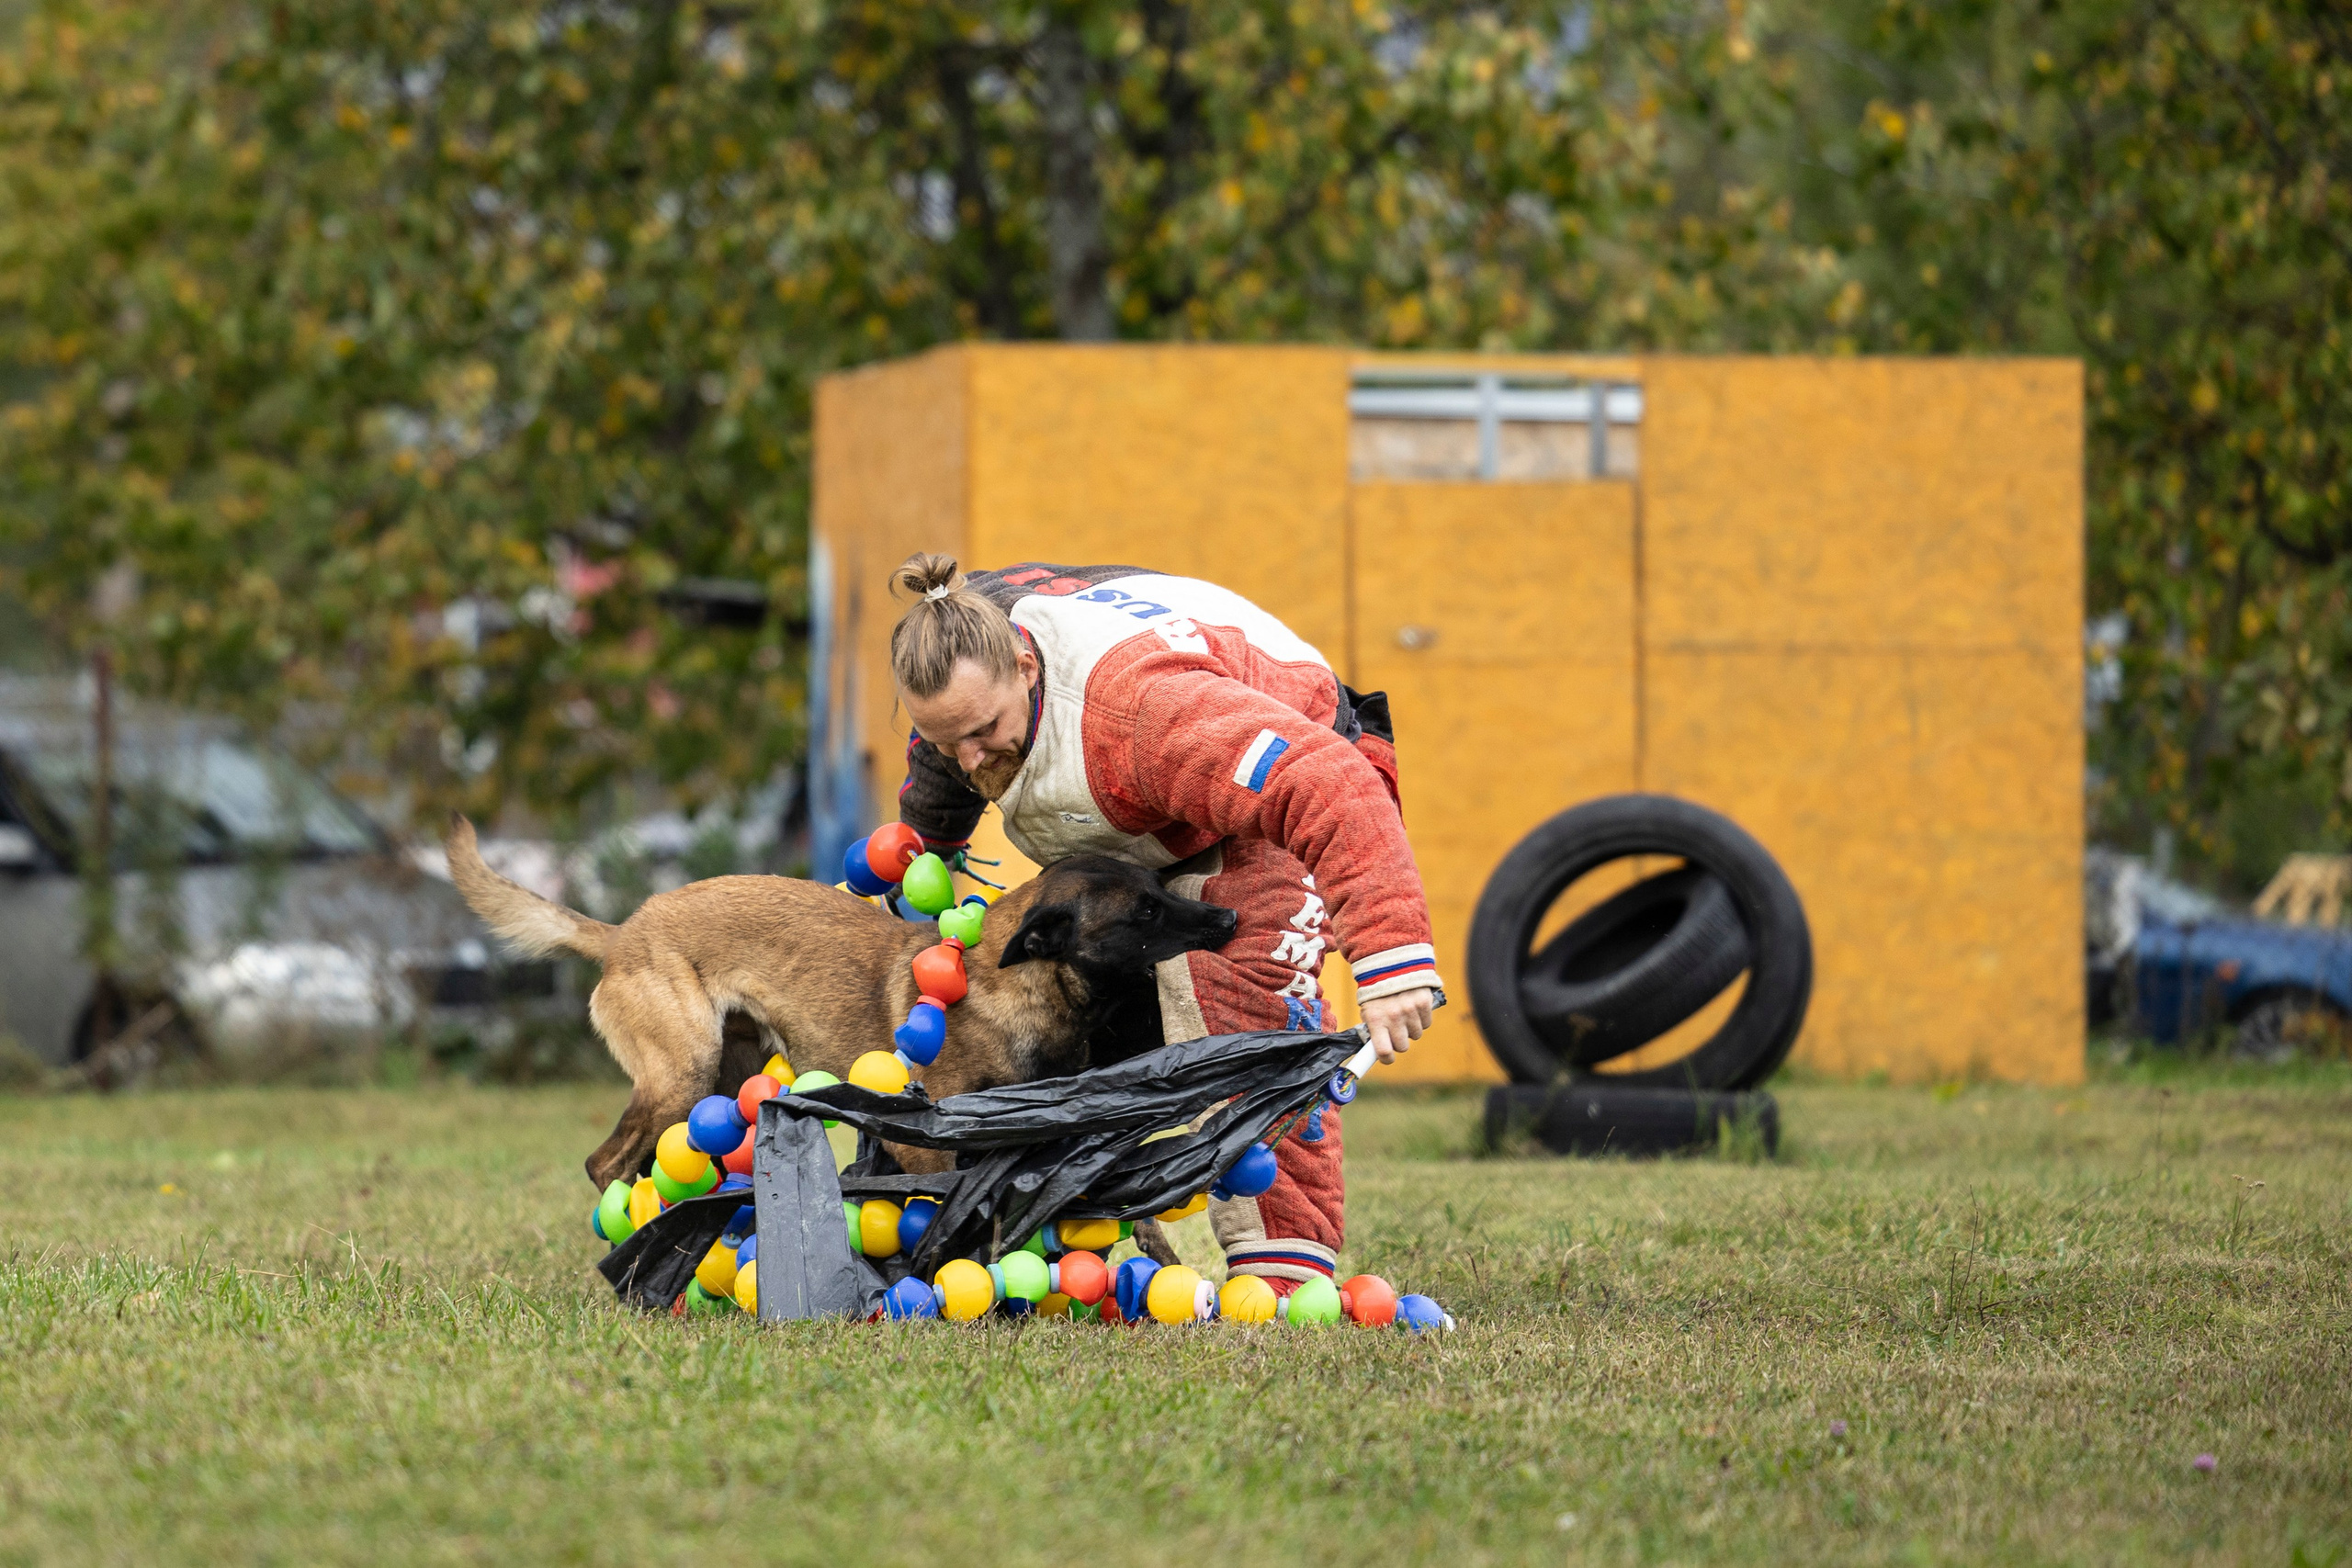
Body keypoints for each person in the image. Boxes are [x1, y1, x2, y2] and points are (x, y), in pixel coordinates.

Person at [883, 553, 1442, 1294]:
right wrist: (930, 847)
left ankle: (1283, 1266)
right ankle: (1085, 1232)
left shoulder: (1142, 716)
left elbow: (1329, 783)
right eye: (948, 738)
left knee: (1224, 991)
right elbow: (939, 755)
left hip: (1299, 765)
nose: (970, 756)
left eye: (984, 732)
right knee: (1080, 981)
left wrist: (1392, 953)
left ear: (1025, 664)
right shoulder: (957, 637)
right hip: (1159, 802)